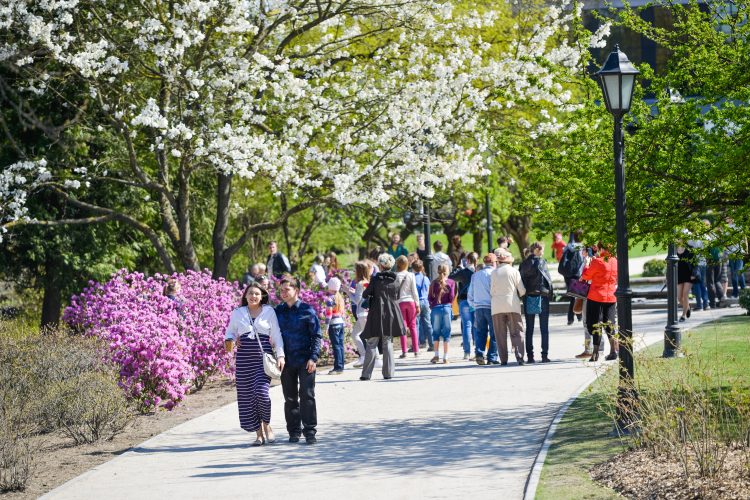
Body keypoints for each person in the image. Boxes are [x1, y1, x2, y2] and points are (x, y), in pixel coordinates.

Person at [224, 283, 285, 446]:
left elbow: (277, 335)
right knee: (249, 398)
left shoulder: (269, 311)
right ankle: (259, 435)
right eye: (250, 293)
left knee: (262, 393)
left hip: (262, 359)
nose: (253, 296)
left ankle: (267, 425)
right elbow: (230, 332)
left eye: (257, 294)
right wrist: (231, 340)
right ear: (245, 296)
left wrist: (280, 356)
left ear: (262, 296)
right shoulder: (238, 313)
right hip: (244, 360)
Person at [275, 277, 321, 444]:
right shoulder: (278, 311)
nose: (284, 293)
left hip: (305, 360)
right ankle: (294, 431)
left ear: (297, 291)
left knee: (307, 395)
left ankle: (310, 432)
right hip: (286, 361)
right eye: (281, 290)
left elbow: (317, 336)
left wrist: (313, 358)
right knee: (290, 398)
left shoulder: (307, 310)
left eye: (287, 289)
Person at [360, 253, 406, 380]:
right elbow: (397, 295)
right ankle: (388, 373)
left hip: (376, 312)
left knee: (371, 342)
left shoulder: (375, 279)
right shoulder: (396, 278)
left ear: (380, 265)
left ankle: (366, 374)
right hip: (391, 312)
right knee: (388, 342)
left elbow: (365, 294)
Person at [580, 243, 618, 362]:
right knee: (610, 324)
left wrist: (586, 264)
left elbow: (586, 276)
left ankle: (595, 353)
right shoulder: (615, 261)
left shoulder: (598, 261)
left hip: (596, 297)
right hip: (611, 297)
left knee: (595, 323)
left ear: (601, 248)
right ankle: (613, 351)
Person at [490, 249, 526, 366]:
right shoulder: (514, 271)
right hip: (512, 304)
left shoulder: (494, 273)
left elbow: (492, 291)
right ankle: (519, 357)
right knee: (517, 331)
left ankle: (503, 359)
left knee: (500, 333)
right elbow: (522, 290)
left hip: (497, 306)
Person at [519, 242, 553, 363]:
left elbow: (521, 282)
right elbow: (547, 280)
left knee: (529, 328)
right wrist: (550, 293)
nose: (543, 251)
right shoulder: (541, 262)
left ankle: (530, 356)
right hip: (542, 297)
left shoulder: (523, 264)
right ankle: (544, 355)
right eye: (542, 249)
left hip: (529, 297)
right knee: (544, 328)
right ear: (537, 250)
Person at [468, 253, 498, 365]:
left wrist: (474, 305)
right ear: (494, 262)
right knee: (494, 333)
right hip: (491, 306)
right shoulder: (494, 274)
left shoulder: (475, 275)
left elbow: (470, 294)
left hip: (478, 307)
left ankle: (479, 354)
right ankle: (492, 357)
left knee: (481, 332)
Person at [449, 252, 477, 360]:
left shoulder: (463, 272)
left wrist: (458, 267)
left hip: (464, 301)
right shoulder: (477, 271)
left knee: (467, 326)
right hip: (475, 301)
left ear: (468, 261)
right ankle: (477, 349)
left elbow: (451, 277)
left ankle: (467, 352)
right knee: (476, 325)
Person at [428, 264, 456, 364]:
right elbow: (452, 298)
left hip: (436, 309)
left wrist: (433, 305)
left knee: (435, 333)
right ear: (447, 271)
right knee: (446, 333)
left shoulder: (433, 283)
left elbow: (430, 298)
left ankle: (436, 356)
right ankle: (445, 357)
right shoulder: (452, 282)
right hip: (447, 309)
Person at [347, 261, 372, 367]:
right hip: (366, 313)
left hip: (362, 313)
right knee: (355, 335)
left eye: (355, 269)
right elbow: (362, 297)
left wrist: (347, 292)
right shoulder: (366, 282)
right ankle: (364, 356)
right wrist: (353, 291)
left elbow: (357, 301)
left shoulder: (359, 283)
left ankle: (367, 357)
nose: (354, 272)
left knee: (367, 337)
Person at [395, 256, 420, 358]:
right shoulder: (411, 275)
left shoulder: (395, 276)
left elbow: (394, 292)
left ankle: (404, 351)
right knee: (413, 326)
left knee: (403, 327)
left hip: (400, 302)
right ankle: (416, 350)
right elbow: (414, 291)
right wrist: (417, 304)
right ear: (407, 264)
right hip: (410, 302)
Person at [559, 230, 585, 325]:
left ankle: (576, 316)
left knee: (574, 295)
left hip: (568, 273)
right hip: (577, 274)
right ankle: (574, 316)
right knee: (576, 295)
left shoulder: (568, 246)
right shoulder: (581, 247)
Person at [324, 277, 346, 374]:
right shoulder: (340, 298)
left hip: (333, 324)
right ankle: (341, 365)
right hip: (340, 323)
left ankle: (338, 368)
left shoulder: (330, 299)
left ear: (330, 287)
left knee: (336, 346)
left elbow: (329, 314)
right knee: (340, 345)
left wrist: (326, 326)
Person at [412, 259, 434, 352]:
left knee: (416, 324)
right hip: (425, 301)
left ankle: (416, 345)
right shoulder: (426, 278)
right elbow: (429, 290)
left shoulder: (413, 278)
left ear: (413, 268)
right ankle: (432, 344)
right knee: (428, 323)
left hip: (416, 302)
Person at [676, 244, 695, 321]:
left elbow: (694, 263)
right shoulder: (673, 250)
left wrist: (694, 274)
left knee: (685, 294)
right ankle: (688, 307)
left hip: (689, 275)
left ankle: (683, 315)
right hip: (679, 275)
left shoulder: (690, 249)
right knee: (679, 297)